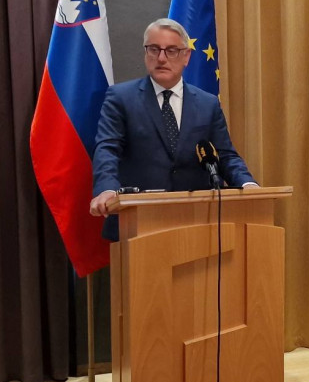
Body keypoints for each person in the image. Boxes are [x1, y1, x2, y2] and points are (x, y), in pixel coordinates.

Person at [90, 18, 256, 235]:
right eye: (154, 49)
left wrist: (248, 185)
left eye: (171, 50)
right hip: (138, 222)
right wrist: (107, 189)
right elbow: (107, 148)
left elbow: (224, 156)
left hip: (197, 222)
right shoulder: (121, 98)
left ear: (186, 56)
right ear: (145, 53)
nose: (161, 58)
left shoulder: (207, 103)